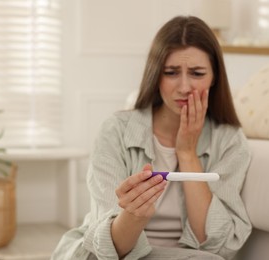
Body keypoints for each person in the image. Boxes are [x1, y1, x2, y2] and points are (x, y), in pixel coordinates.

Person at [52, 15, 252, 260]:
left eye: (197, 73)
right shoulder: (116, 130)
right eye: (171, 72)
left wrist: (187, 152)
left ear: (215, 79)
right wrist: (135, 215)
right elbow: (110, 248)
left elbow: (213, 242)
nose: (184, 87)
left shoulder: (230, 141)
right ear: (156, 75)